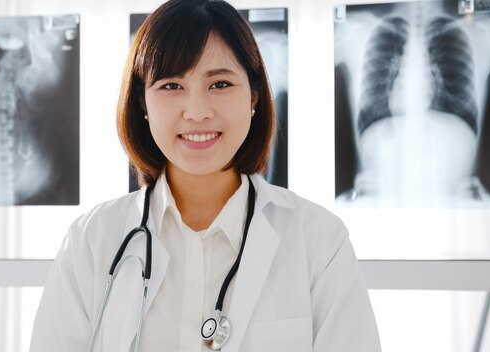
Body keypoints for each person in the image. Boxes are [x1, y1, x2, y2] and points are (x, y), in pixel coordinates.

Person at [30, 0, 380, 351]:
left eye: (220, 84)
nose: (197, 112)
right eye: (171, 86)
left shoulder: (319, 242)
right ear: (143, 103)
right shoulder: (91, 241)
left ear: (254, 95)